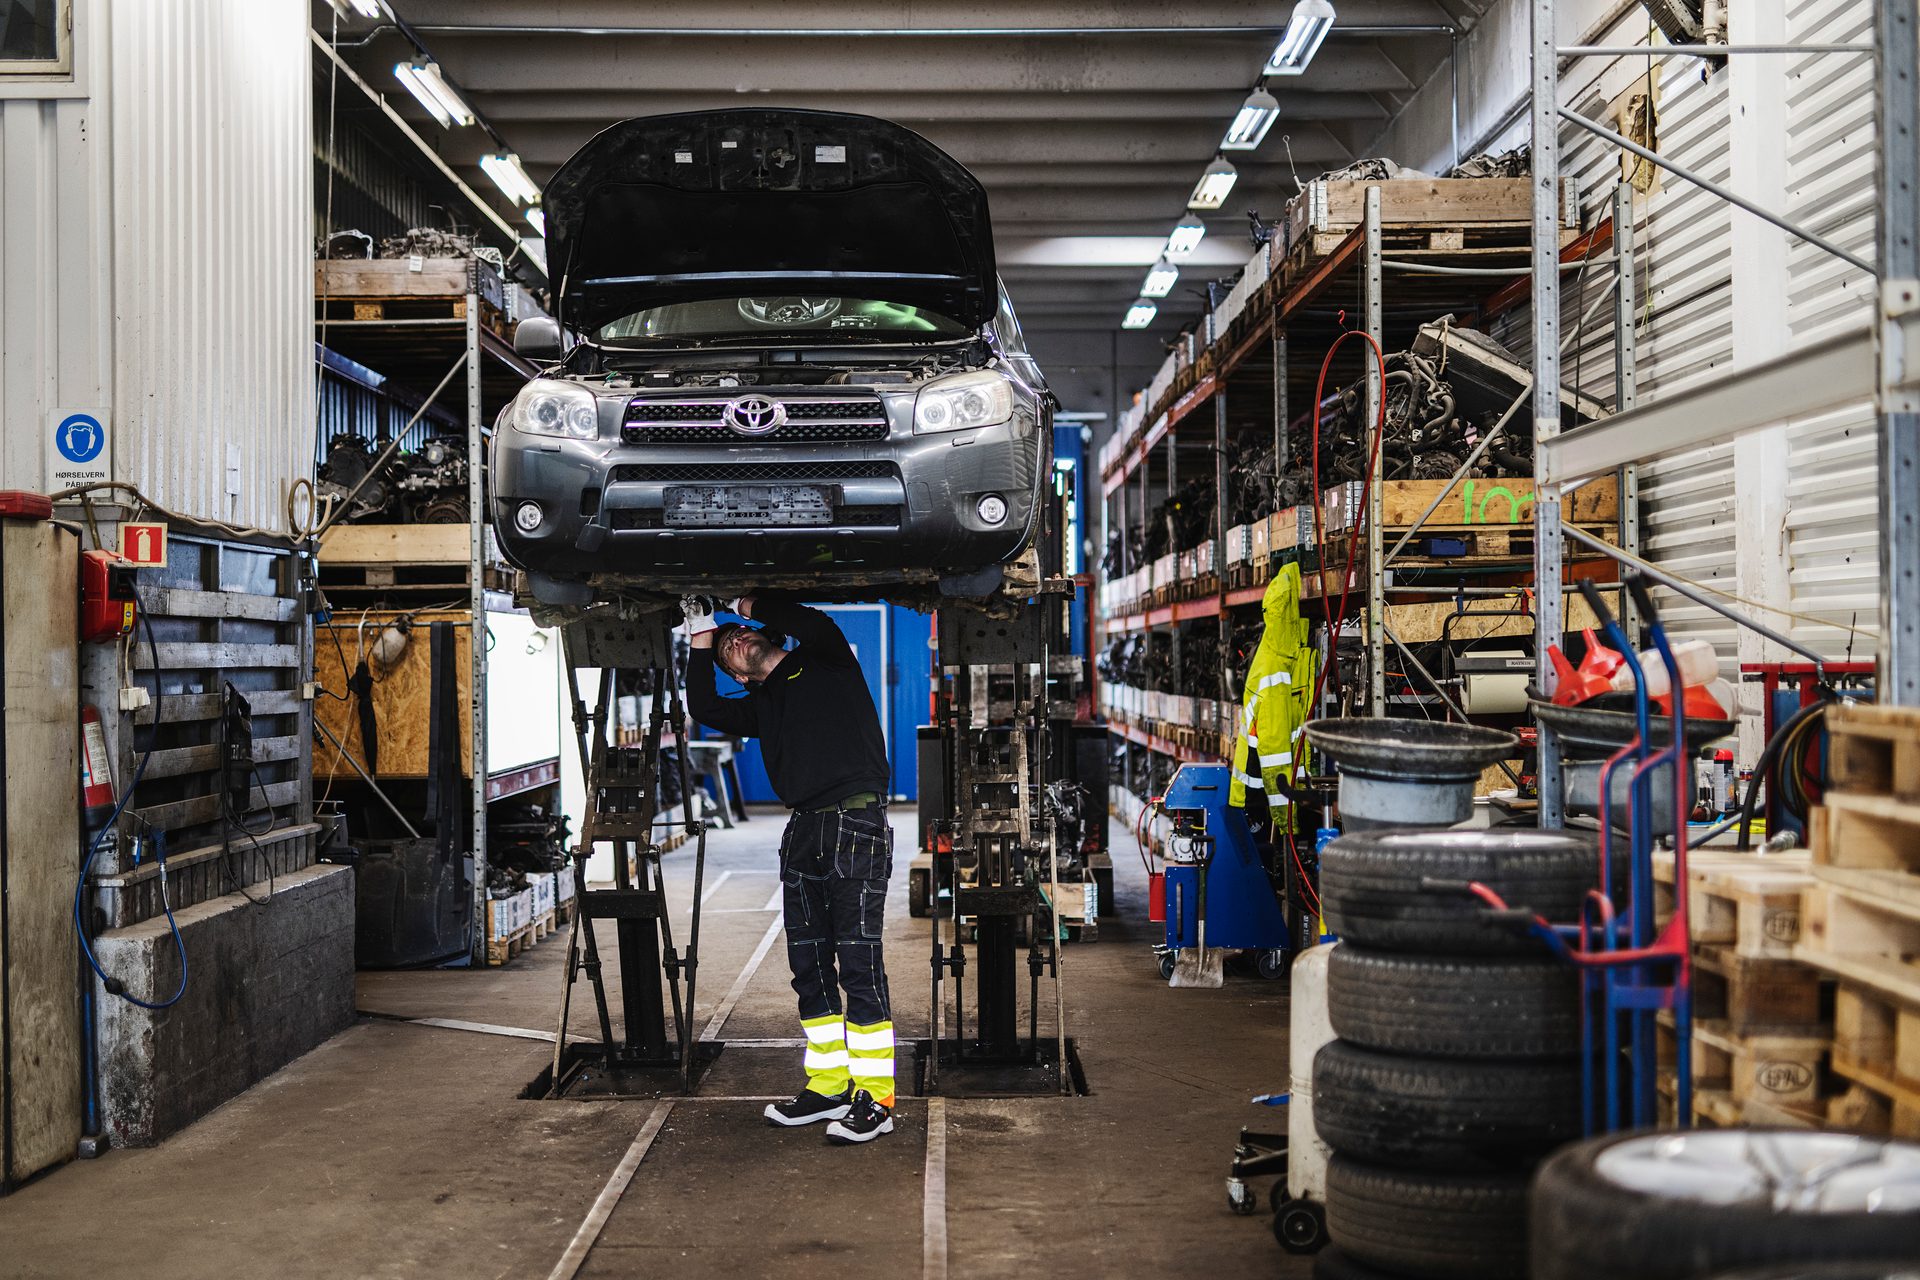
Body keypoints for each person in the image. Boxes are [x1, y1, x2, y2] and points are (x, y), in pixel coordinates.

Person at [682, 593, 897, 1144]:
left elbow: (812, 621)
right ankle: (829, 1084)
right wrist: (702, 633)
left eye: (740, 633)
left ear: (764, 633)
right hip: (803, 832)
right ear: (739, 676)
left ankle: (876, 1098)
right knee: (809, 965)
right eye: (727, 651)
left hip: (856, 826)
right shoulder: (761, 707)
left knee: (858, 961)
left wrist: (739, 602)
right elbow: (703, 706)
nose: (736, 641)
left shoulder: (826, 660)